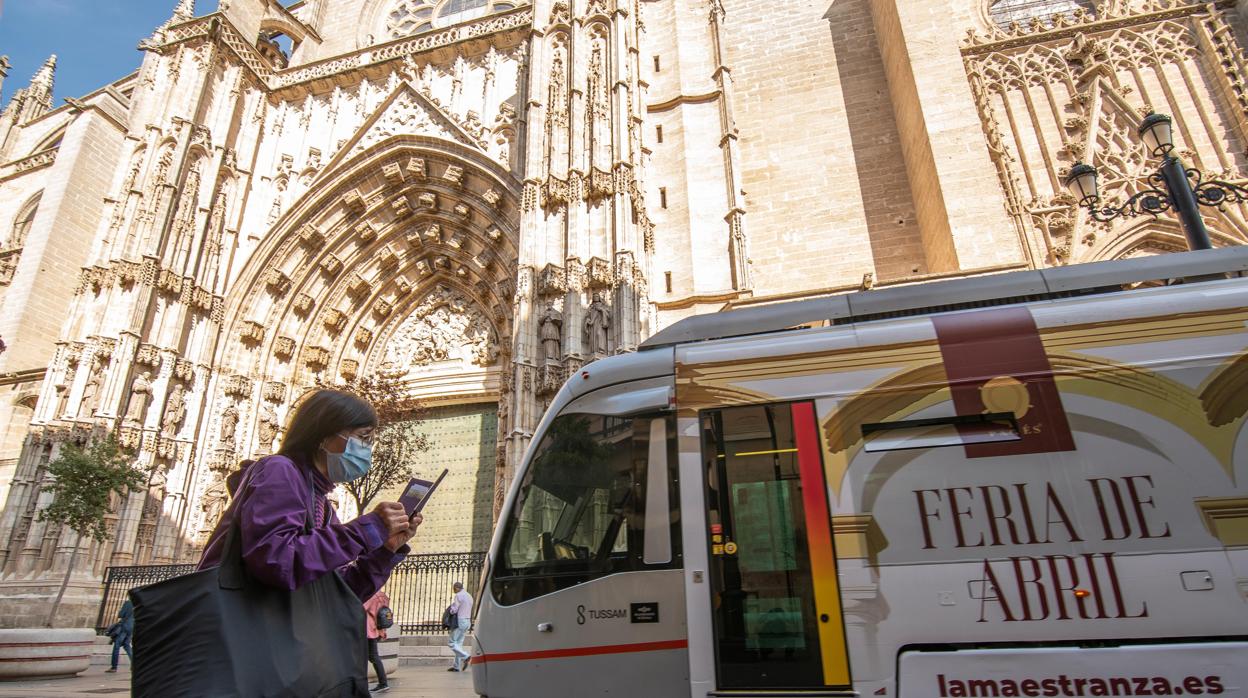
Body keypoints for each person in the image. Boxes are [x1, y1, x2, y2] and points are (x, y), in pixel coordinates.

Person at [196, 389, 423, 690]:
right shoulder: (278, 471)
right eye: (363, 437)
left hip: (278, 647)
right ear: (324, 435)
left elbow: (339, 593)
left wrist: (385, 550)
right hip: (241, 643)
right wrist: (367, 529)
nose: (368, 449)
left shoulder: (321, 502)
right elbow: (277, 561)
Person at [363, 590, 391, 693]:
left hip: (368, 629)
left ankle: (383, 683)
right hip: (377, 629)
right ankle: (382, 683)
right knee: (372, 656)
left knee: (372, 656)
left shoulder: (370, 595)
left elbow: (362, 607)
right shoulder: (383, 595)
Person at [447, 581, 473, 672]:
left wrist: (450, 610)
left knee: (451, 643)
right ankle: (456, 666)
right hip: (468, 621)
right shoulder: (469, 596)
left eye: (454, 588)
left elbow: (454, 610)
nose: (453, 590)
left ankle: (466, 656)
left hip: (460, 621)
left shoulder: (458, 596)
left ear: (457, 588)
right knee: (458, 644)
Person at [104, 599, 134, 673]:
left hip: (124, 626)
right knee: (127, 645)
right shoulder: (139, 603)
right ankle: (134, 664)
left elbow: (121, 614)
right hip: (132, 627)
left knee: (116, 646)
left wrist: (120, 611)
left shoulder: (128, 602)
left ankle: (114, 667)